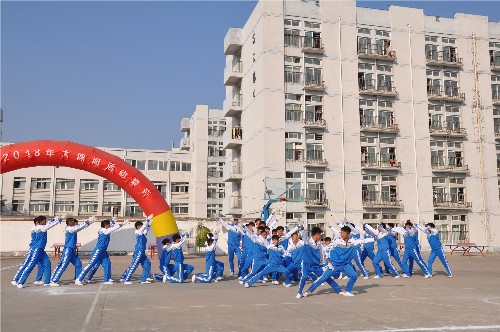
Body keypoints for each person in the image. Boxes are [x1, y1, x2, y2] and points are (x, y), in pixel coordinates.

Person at [304, 225, 372, 297]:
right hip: (334, 264)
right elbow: (328, 250)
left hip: (345, 264)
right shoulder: (336, 241)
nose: (342, 234)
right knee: (323, 278)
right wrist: (329, 261)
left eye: (344, 232)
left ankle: (347, 290)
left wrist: (374, 238)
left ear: (348, 234)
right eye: (341, 232)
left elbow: (363, 240)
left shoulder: (353, 242)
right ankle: (308, 291)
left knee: (354, 275)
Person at [16, 216, 63, 288]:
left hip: (40, 249)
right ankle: (20, 282)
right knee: (31, 265)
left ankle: (47, 281)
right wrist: (59, 219)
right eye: (44, 221)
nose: (45, 222)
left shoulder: (34, 228)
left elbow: (49, 223)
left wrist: (54, 219)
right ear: (40, 222)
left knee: (47, 263)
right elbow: (51, 225)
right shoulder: (42, 227)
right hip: (37, 249)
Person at [75, 219, 123, 285]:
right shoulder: (103, 230)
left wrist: (113, 220)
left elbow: (111, 226)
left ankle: (106, 280)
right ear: (106, 225)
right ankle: (79, 279)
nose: (110, 225)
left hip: (103, 251)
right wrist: (121, 224)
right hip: (98, 250)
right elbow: (112, 229)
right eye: (109, 224)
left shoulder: (105, 229)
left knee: (107, 263)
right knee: (91, 264)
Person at [50, 217, 94, 286]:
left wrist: (88, 223)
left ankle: (78, 279)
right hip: (68, 250)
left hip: (72, 250)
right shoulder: (69, 228)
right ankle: (54, 280)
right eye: (73, 222)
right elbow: (78, 227)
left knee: (78, 264)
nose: (75, 223)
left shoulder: (73, 229)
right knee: (63, 265)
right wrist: (87, 221)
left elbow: (79, 228)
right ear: (70, 222)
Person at [296, 226, 338, 299]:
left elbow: (322, 255)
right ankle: (299, 292)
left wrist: (327, 264)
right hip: (306, 265)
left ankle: (338, 289)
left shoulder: (319, 244)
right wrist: (302, 228)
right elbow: (304, 233)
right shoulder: (307, 240)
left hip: (316, 266)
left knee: (326, 276)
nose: (321, 236)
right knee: (304, 277)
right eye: (320, 235)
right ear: (317, 234)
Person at [12, 217, 46, 286]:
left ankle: (38, 279)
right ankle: (16, 279)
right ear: (37, 222)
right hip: (34, 248)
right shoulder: (35, 228)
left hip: (39, 249)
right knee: (27, 264)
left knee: (42, 264)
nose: (45, 223)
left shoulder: (38, 228)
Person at [121, 216, 153, 285]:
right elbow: (144, 227)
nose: (143, 227)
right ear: (138, 226)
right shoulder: (138, 232)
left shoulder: (142, 233)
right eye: (141, 226)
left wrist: (149, 225)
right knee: (134, 265)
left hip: (142, 252)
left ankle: (144, 279)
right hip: (139, 251)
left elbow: (146, 229)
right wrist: (147, 220)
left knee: (147, 263)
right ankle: (126, 279)